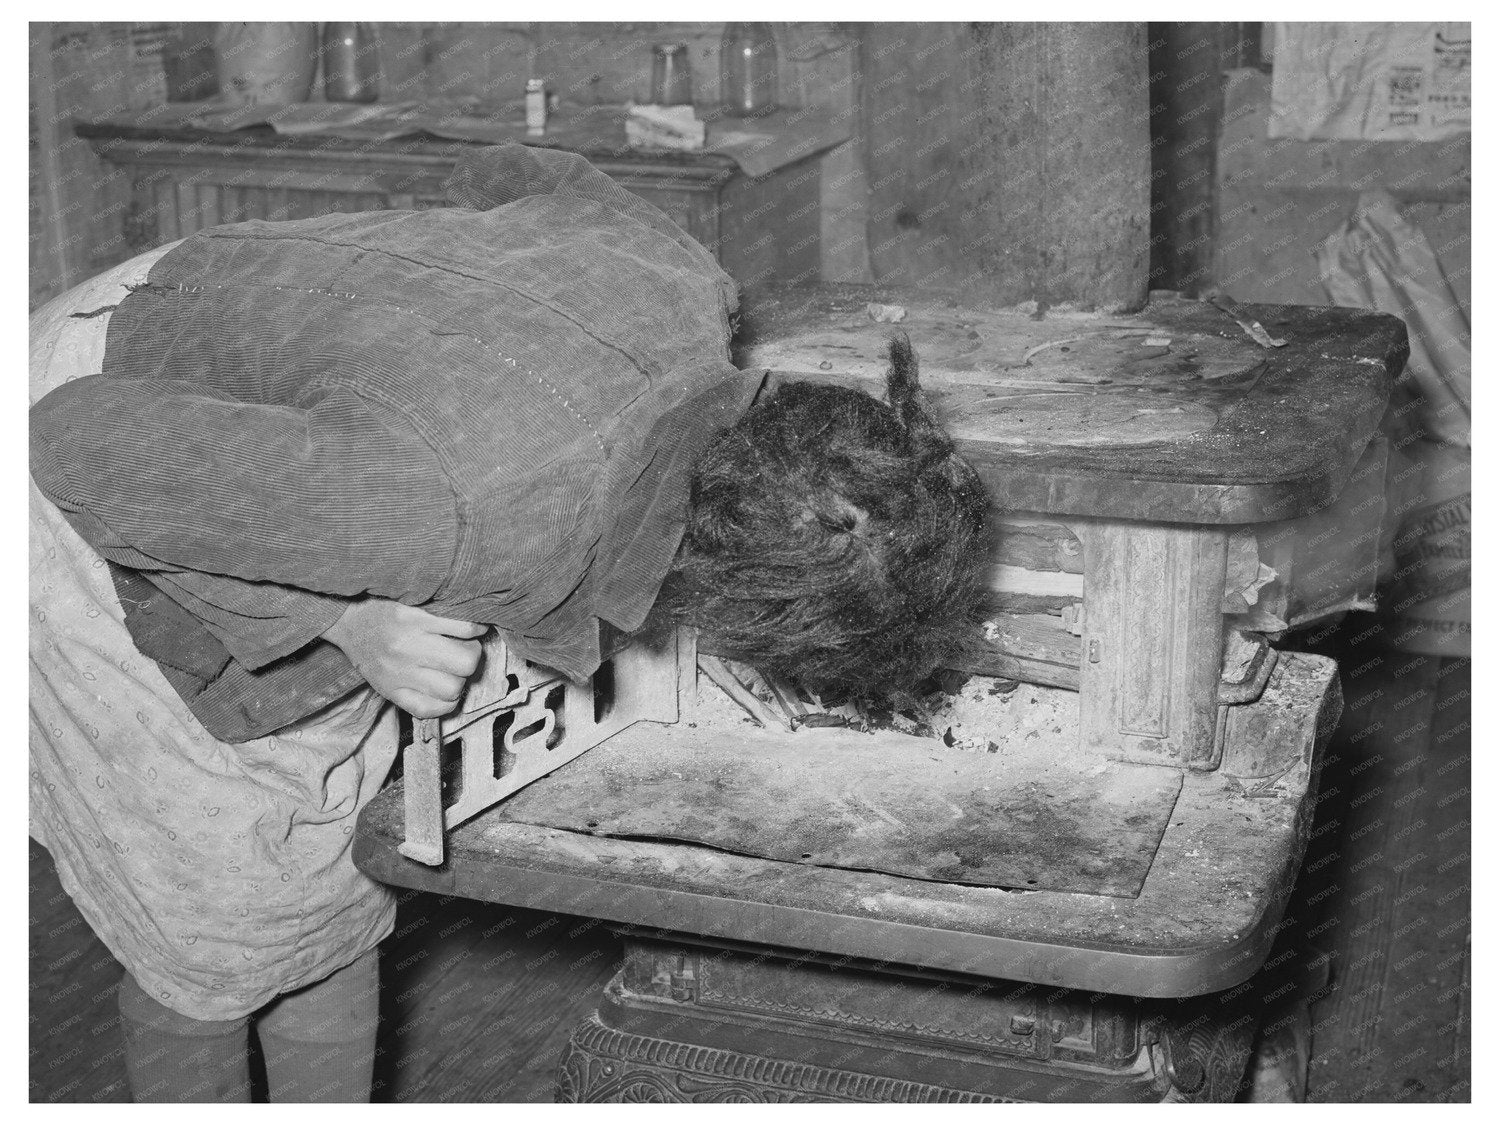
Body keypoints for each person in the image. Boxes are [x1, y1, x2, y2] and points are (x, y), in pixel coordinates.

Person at [29, 143, 989, 1102]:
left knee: (329, 893)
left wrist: (413, 331)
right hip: (83, 440)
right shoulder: (434, 503)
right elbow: (75, 443)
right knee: (214, 917)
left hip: (263, 356)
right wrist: (345, 620)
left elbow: (508, 174)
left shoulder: (683, 275)